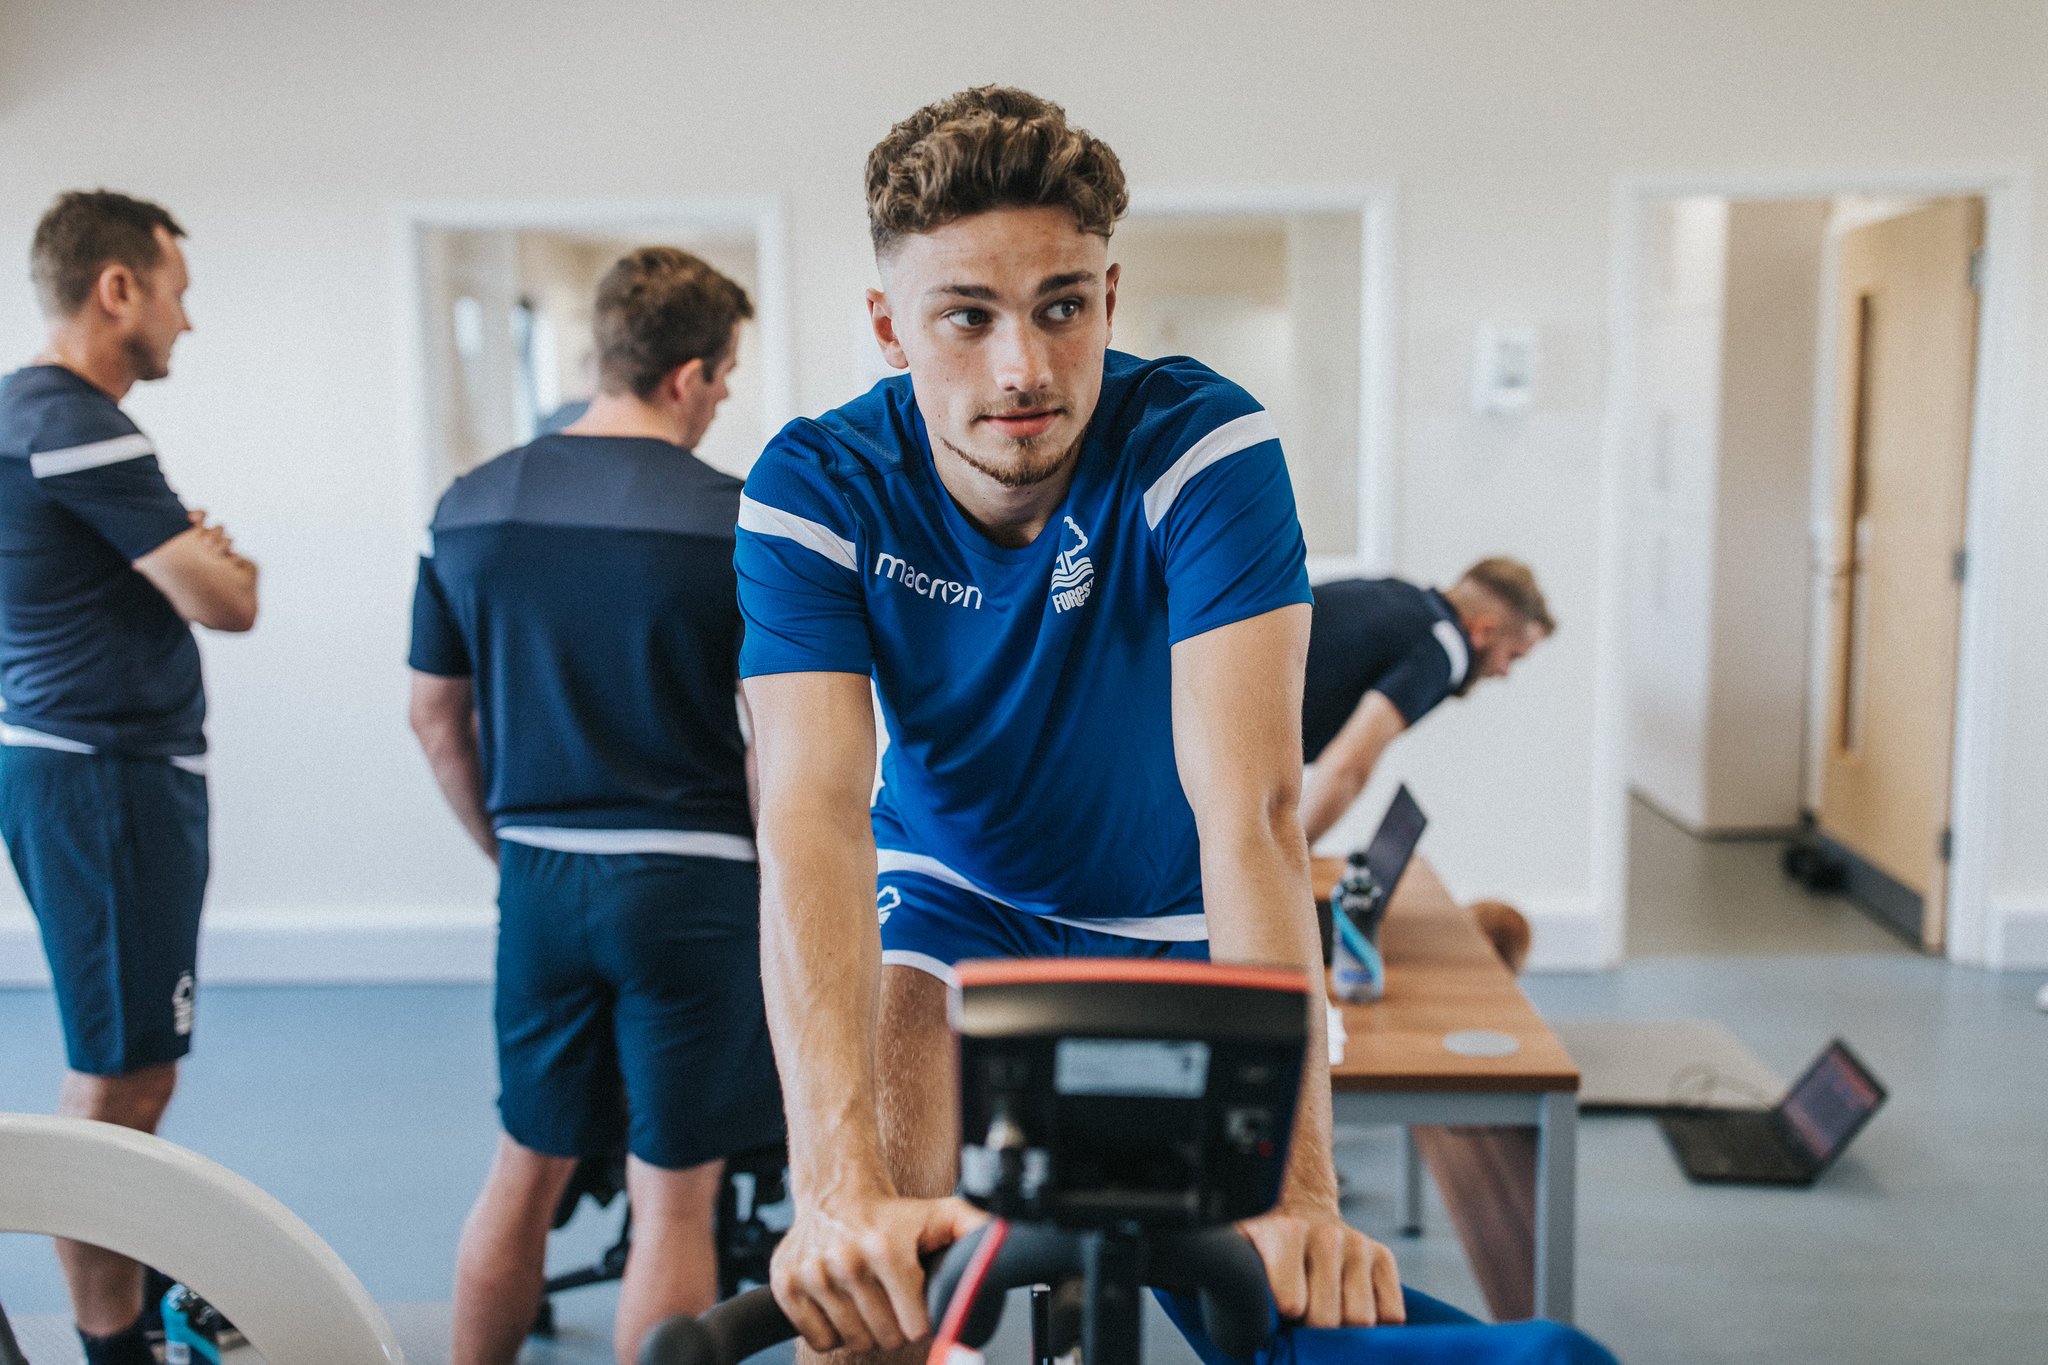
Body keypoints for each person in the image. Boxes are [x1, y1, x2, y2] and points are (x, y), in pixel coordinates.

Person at [735, 88, 1612, 1365]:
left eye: (1061, 306)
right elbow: (810, 813)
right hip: (950, 892)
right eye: (965, 318)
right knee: (877, 1293)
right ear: (888, 327)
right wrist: (831, 1188)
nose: (1022, 368)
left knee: (1265, 1290)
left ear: (1108, 295)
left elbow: (1252, 810)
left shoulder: (1200, 448)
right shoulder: (815, 487)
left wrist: (1304, 1196)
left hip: (1174, 910)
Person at [408, 246, 783, 1365]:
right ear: (687, 377)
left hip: (540, 874)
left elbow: (436, 719)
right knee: (674, 1199)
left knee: (525, 1167)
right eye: (721, 381)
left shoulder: (473, 506)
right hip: (694, 881)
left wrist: (507, 854)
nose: (719, 403)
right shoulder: (739, 519)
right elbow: (775, 746)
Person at [0, 189, 259, 1365]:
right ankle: (114, 1347)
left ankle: (130, 1304)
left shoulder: (31, 414)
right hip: (102, 779)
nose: (184, 322)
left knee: (128, 1066)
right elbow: (227, 597)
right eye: (175, 292)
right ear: (118, 289)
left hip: (87, 771)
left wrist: (180, 550)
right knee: (121, 1079)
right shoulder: (78, 420)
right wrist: (204, 555)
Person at [1301, 563, 1554, 971]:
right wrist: (1292, 856)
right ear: (1484, 631)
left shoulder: (1405, 599)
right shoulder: (1444, 649)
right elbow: (1349, 764)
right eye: (1513, 656)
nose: (1504, 673)